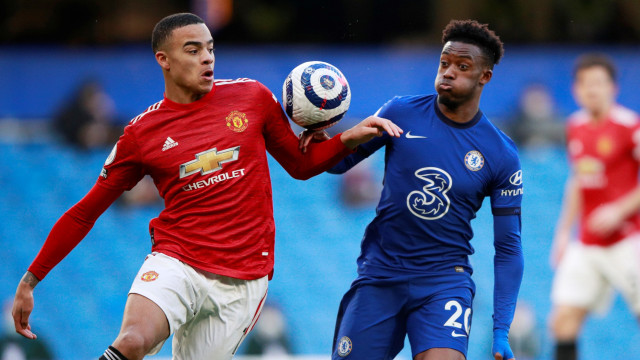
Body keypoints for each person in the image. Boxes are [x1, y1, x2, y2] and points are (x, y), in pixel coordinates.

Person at [11, 13, 402, 360]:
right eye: (193, 50)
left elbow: (301, 166)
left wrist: (349, 138)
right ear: (163, 60)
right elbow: (86, 211)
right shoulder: (142, 134)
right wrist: (31, 280)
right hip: (177, 259)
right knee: (132, 341)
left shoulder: (252, 98)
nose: (207, 58)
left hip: (245, 277)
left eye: (210, 49)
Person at [326, 20, 523, 360]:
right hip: (380, 275)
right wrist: (334, 138)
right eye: (444, 63)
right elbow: (336, 164)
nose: (448, 72)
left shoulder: (500, 154)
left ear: (484, 77)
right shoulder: (401, 111)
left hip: (444, 281)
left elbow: (508, 248)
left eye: (462, 67)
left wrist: (501, 328)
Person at [549, 53, 640, 360]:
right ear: (576, 90)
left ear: (613, 88)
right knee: (562, 321)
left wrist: (619, 210)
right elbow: (578, 180)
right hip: (587, 242)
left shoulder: (629, 126)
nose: (592, 90)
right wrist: (563, 234)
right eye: (586, 84)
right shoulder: (575, 126)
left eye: (599, 83)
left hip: (628, 239)